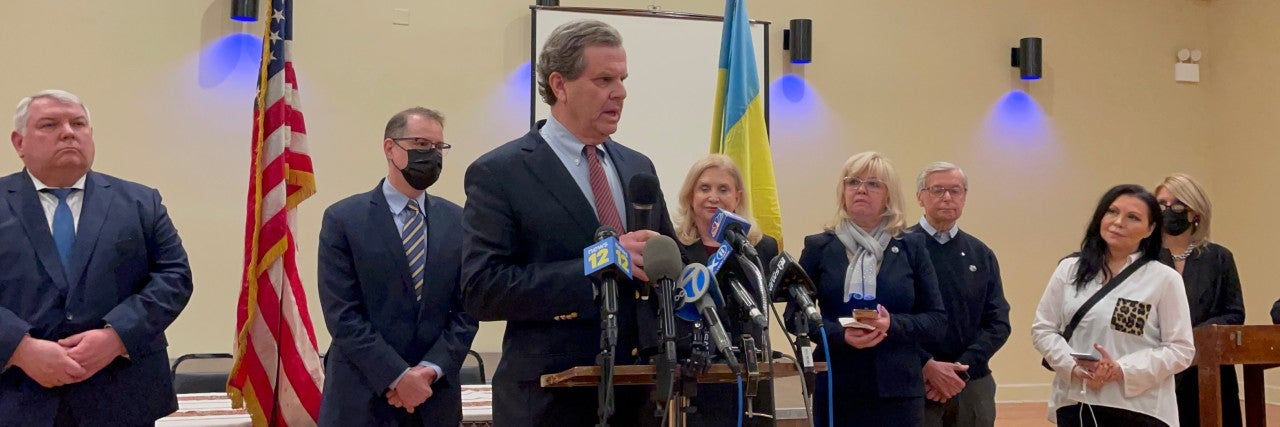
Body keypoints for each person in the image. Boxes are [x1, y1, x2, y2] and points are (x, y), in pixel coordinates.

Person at [461, 19, 676, 426]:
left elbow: (662, 262)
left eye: (623, 79)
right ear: (559, 85)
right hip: (548, 400)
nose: (620, 92)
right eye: (604, 79)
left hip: (638, 395)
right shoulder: (501, 172)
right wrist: (595, 265)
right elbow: (482, 290)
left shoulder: (636, 166)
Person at [0, 89, 194, 425]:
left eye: (78, 123)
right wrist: (17, 347)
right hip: (15, 397)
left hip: (121, 397)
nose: (68, 132)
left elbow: (174, 277)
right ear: (19, 143)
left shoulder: (139, 203)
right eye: (49, 124)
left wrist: (117, 336)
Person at [317, 107, 478, 426]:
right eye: (420, 144)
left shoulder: (459, 221)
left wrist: (429, 370)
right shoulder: (344, 219)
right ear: (390, 148)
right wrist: (399, 376)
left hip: (435, 400)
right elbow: (343, 315)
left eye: (438, 147)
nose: (430, 155)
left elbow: (466, 312)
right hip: (361, 399)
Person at [800, 151, 946, 426]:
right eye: (853, 182)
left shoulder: (911, 247)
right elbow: (797, 318)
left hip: (898, 390)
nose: (861, 190)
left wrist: (892, 324)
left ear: (888, 196)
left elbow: (936, 319)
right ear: (842, 191)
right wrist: (841, 335)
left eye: (873, 184)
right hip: (837, 385)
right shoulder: (819, 247)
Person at [1031, 184, 1194, 427]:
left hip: (1140, 407)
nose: (1118, 222)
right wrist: (1074, 369)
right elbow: (1043, 330)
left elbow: (1180, 350)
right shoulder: (1070, 269)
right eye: (1112, 212)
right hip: (1076, 401)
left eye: (1133, 217)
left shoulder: (1164, 278)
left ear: (1150, 229)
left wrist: (1121, 369)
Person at [643, 154, 779, 426]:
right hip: (692, 376)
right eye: (704, 188)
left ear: (737, 197)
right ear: (690, 196)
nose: (713, 197)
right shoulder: (673, 248)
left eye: (723, 189)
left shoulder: (759, 248)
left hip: (747, 373)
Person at [906, 162, 1010, 427]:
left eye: (956, 190)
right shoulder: (899, 248)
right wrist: (928, 365)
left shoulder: (981, 253)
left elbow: (998, 322)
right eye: (937, 190)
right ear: (920, 196)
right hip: (916, 380)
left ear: (965, 196)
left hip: (971, 382)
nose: (947, 197)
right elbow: (890, 318)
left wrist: (959, 370)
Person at [1152, 173, 1245, 427]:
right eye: (1161, 204)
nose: (1169, 210)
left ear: (1196, 212)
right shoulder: (1143, 259)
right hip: (1157, 368)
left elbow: (1234, 313)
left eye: (1178, 204)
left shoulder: (1219, 257)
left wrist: (1190, 337)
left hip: (1207, 369)